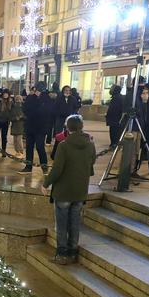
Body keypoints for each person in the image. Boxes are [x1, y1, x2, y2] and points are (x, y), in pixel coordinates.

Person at [44, 114, 95, 265]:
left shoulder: (64, 145)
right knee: (74, 222)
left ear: (67, 128)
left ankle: (61, 253)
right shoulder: (90, 144)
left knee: (61, 224)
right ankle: (73, 251)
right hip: (80, 190)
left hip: (64, 190)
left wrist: (46, 183)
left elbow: (57, 169)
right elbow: (90, 164)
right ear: (82, 127)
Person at [21, 87, 53, 172]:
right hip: (30, 126)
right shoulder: (30, 98)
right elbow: (25, 109)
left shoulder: (46, 99)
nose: (38, 92)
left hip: (40, 128)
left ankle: (44, 166)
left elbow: (46, 111)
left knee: (40, 146)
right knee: (29, 147)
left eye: (39, 90)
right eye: (36, 90)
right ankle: (28, 166)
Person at [0, 89, 18, 157]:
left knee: (4, 137)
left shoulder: (11, 102)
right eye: (4, 94)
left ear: (8, 95)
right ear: (2, 94)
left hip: (6, 122)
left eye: (7, 94)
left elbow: (14, 110)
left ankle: (3, 151)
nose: (5, 95)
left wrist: (11, 116)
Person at [105, 85, 125, 149]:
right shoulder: (118, 97)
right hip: (115, 119)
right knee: (115, 132)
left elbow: (114, 109)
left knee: (114, 132)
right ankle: (114, 144)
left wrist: (108, 115)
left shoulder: (116, 98)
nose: (110, 90)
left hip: (115, 120)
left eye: (112, 88)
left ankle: (114, 144)